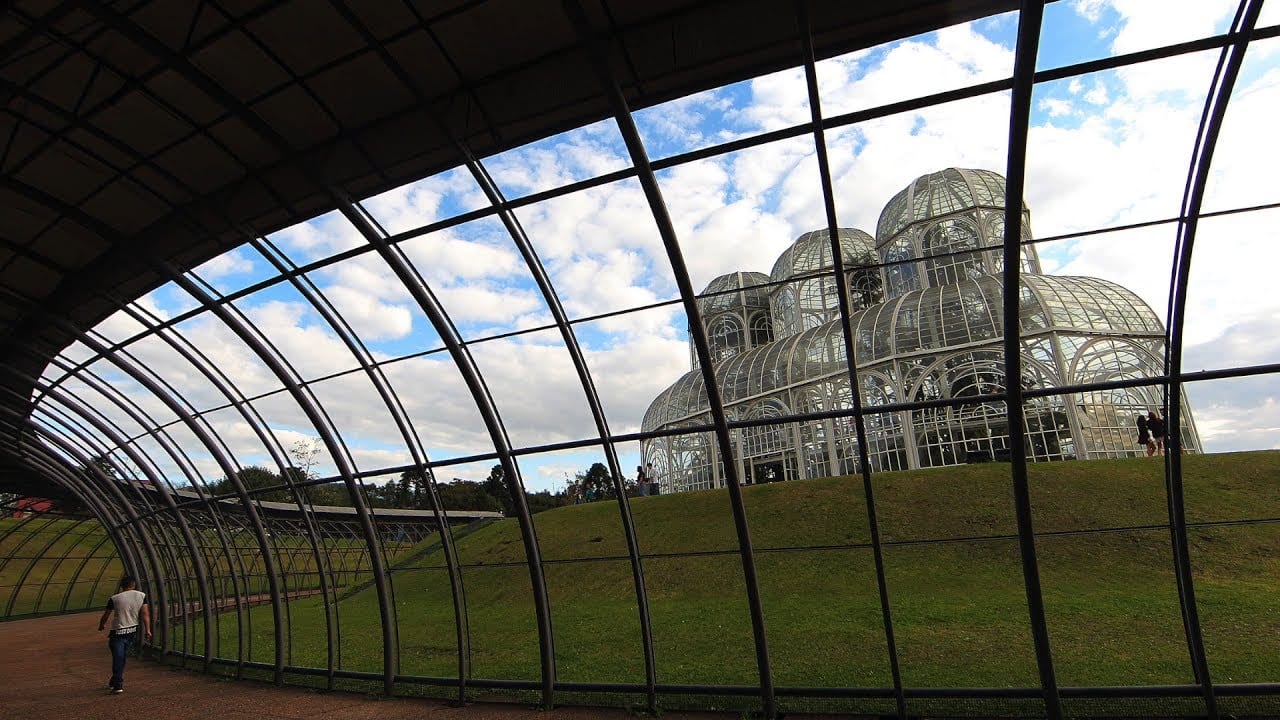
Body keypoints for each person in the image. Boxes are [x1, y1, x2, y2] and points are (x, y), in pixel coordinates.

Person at [97, 575, 151, 695]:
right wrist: (148, 630)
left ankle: (118, 684)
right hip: (132, 631)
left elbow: (106, 615)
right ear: (133, 585)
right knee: (121, 657)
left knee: (118, 657)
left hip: (118, 632)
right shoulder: (142, 596)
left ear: (122, 586)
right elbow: (145, 614)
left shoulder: (115, 598)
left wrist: (101, 625)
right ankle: (115, 680)